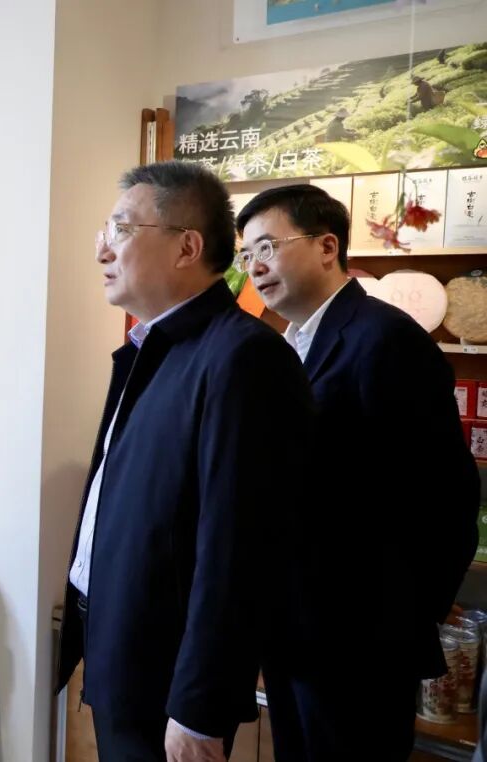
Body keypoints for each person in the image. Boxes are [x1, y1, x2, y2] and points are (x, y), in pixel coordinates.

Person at [55, 160, 314, 761]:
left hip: (169, 678)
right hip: (122, 648)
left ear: (187, 247)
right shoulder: (153, 348)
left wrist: (200, 705)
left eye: (121, 230)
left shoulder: (244, 358)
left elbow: (239, 551)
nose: (102, 250)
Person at [237, 184, 479, 761]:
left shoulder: (384, 338)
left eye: (268, 247)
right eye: (247, 255)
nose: (255, 267)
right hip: (294, 630)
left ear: (327, 247)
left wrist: (402, 619)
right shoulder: (289, 343)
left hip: (360, 644)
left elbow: (448, 495)